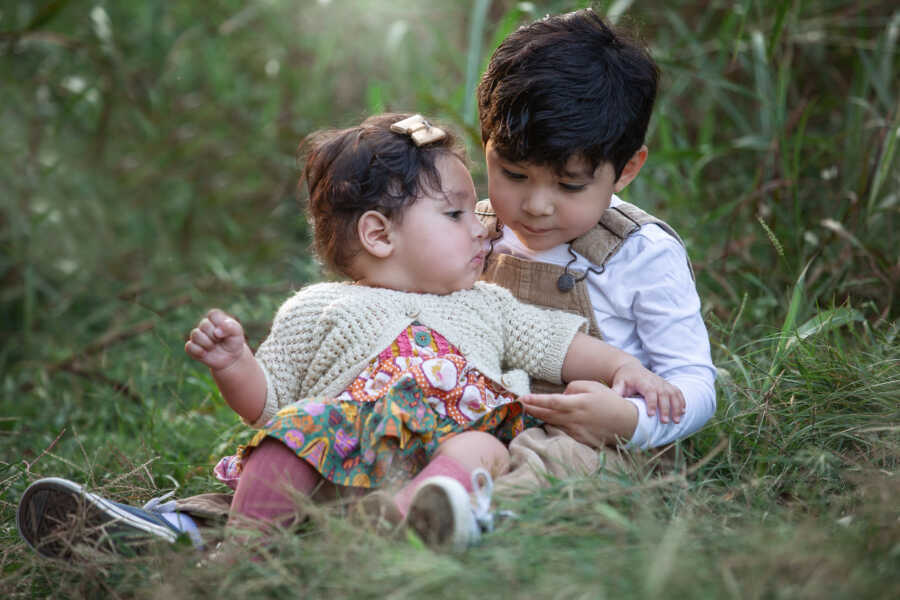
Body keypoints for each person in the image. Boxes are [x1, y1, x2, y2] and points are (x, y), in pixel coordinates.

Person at [17, 113, 683, 558]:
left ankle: (423, 513)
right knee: (287, 441)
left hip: (441, 455)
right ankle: (234, 554)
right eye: (456, 214)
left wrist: (627, 367)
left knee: (486, 445)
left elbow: (559, 344)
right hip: (342, 457)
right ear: (378, 234)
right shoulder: (320, 305)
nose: (482, 227)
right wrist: (235, 364)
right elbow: (270, 401)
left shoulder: (486, 302)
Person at [474, 8, 716, 473]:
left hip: (592, 441)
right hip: (485, 415)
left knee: (551, 466)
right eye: (513, 174)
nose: (536, 205)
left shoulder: (640, 254)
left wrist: (628, 419)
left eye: (569, 186)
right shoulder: (474, 231)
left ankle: (465, 507)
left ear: (626, 169)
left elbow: (694, 383)